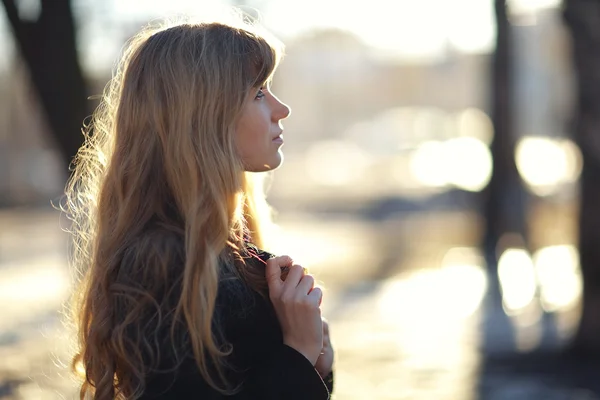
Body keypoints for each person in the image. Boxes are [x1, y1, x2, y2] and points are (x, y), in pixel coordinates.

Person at [65, 11, 334, 400]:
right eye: (258, 92)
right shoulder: (164, 267)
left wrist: (316, 365)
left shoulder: (229, 249)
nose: (281, 109)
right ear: (203, 117)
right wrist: (298, 353)